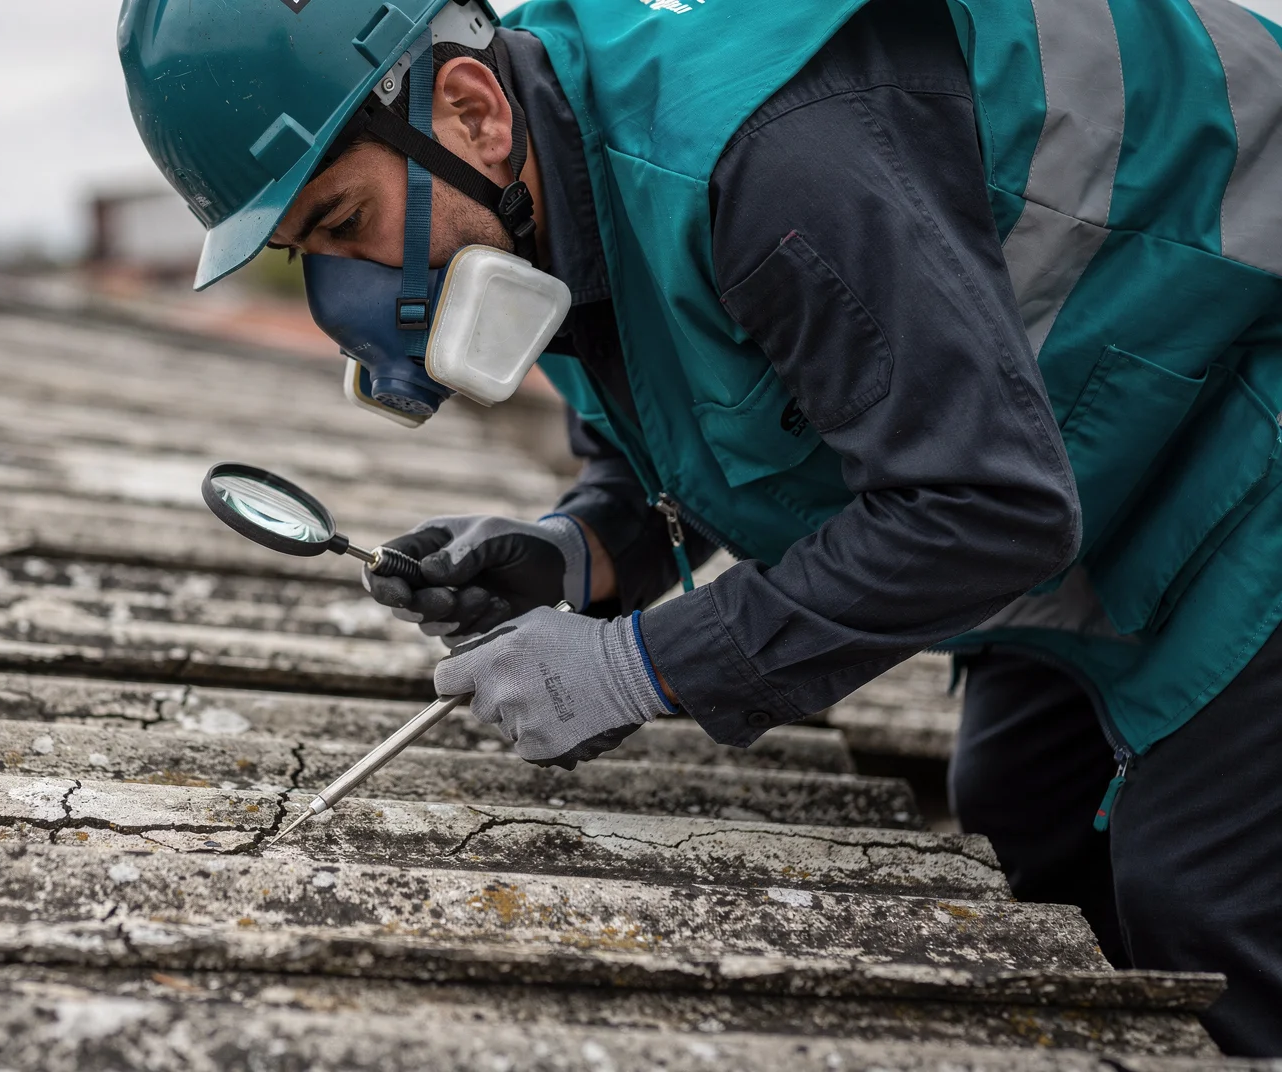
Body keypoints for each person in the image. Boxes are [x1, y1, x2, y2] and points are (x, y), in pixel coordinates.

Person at [118, 0, 1282, 1052]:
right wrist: (578, 553)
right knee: (1029, 831)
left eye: (341, 223)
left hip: (1241, 413)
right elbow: (706, 433)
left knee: (1208, 909)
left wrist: (642, 668)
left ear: (467, 110)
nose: (343, 299)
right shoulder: (548, 188)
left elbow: (984, 506)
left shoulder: (773, 155)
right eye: (306, 254)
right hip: (1112, 449)